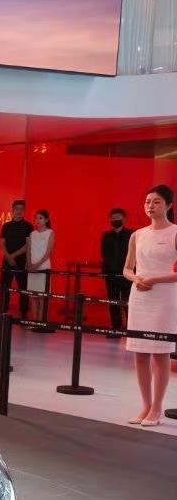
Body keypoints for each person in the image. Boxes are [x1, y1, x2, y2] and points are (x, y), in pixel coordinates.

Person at [123, 183, 177, 427]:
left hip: (164, 298)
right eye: (147, 202)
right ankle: (145, 405)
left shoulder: (174, 233)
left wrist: (154, 279)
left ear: (168, 205)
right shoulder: (137, 235)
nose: (150, 206)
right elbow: (127, 268)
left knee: (160, 353)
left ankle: (157, 407)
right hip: (140, 297)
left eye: (156, 202)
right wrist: (136, 279)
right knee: (140, 353)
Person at [101, 207, 132, 337]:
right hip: (111, 274)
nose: (115, 220)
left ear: (124, 219)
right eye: (113, 218)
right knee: (113, 301)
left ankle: (131, 328)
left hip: (127, 274)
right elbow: (103, 254)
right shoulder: (106, 236)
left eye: (118, 218)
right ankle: (115, 328)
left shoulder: (131, 234)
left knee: (127, 301)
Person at [0, 200, 31, 319]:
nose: (19, 211)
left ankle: (24, 314)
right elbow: (2, 243)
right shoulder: (6, 226)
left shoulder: (28, 226)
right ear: (12, 210)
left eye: (21, 209)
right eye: (16, 209)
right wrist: (8, 256)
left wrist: (13, 256)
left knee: (23, 287)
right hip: (7, 261)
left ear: (24, 211)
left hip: (22, 261)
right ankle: (2, 312)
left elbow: (28, 245)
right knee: (4, 286)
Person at [26, 209, 54, 325]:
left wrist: (37, 265)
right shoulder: (32, 234)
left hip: (43, 268)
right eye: (36, 218)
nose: (37, 220)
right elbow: (28, 251)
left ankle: (41, 323)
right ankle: (34, 321)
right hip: (32, 269)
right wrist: (29, 264)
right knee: (33, 296)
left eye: (40, 218)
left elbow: (48, 253)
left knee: (42, 297)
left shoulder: (50, 232)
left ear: (46, 220)